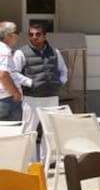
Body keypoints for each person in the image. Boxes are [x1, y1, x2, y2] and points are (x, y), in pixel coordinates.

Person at [13, 24, 68, 160]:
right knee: (29, 130)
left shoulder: (55, 52)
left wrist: (60, 82)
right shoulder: (21, 53)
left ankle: (47, 160)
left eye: (38, 34)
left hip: (51, 97)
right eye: (31, 34)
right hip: (32, 98)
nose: (34, 37)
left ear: (44, 36)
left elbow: (63, 71)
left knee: (50, 130)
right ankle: (29, 161)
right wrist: (30, 83)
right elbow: (13, 73)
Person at [0, 21, 24, 122]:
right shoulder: (4, 51)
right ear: (9, 35)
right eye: (16, 32)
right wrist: (16, 93)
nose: (18, 36)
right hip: (7, 99)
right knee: (12, 130)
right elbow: (3, 74)